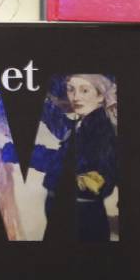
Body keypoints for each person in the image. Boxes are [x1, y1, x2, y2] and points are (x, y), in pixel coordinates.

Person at [45, 74, 119, 241]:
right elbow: (58, 124)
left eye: (84, 90)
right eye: (71, 90)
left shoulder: (101, 130)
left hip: (81, 216)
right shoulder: (83, 123)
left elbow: (102, 179)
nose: (76, 97)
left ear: (100, 96)